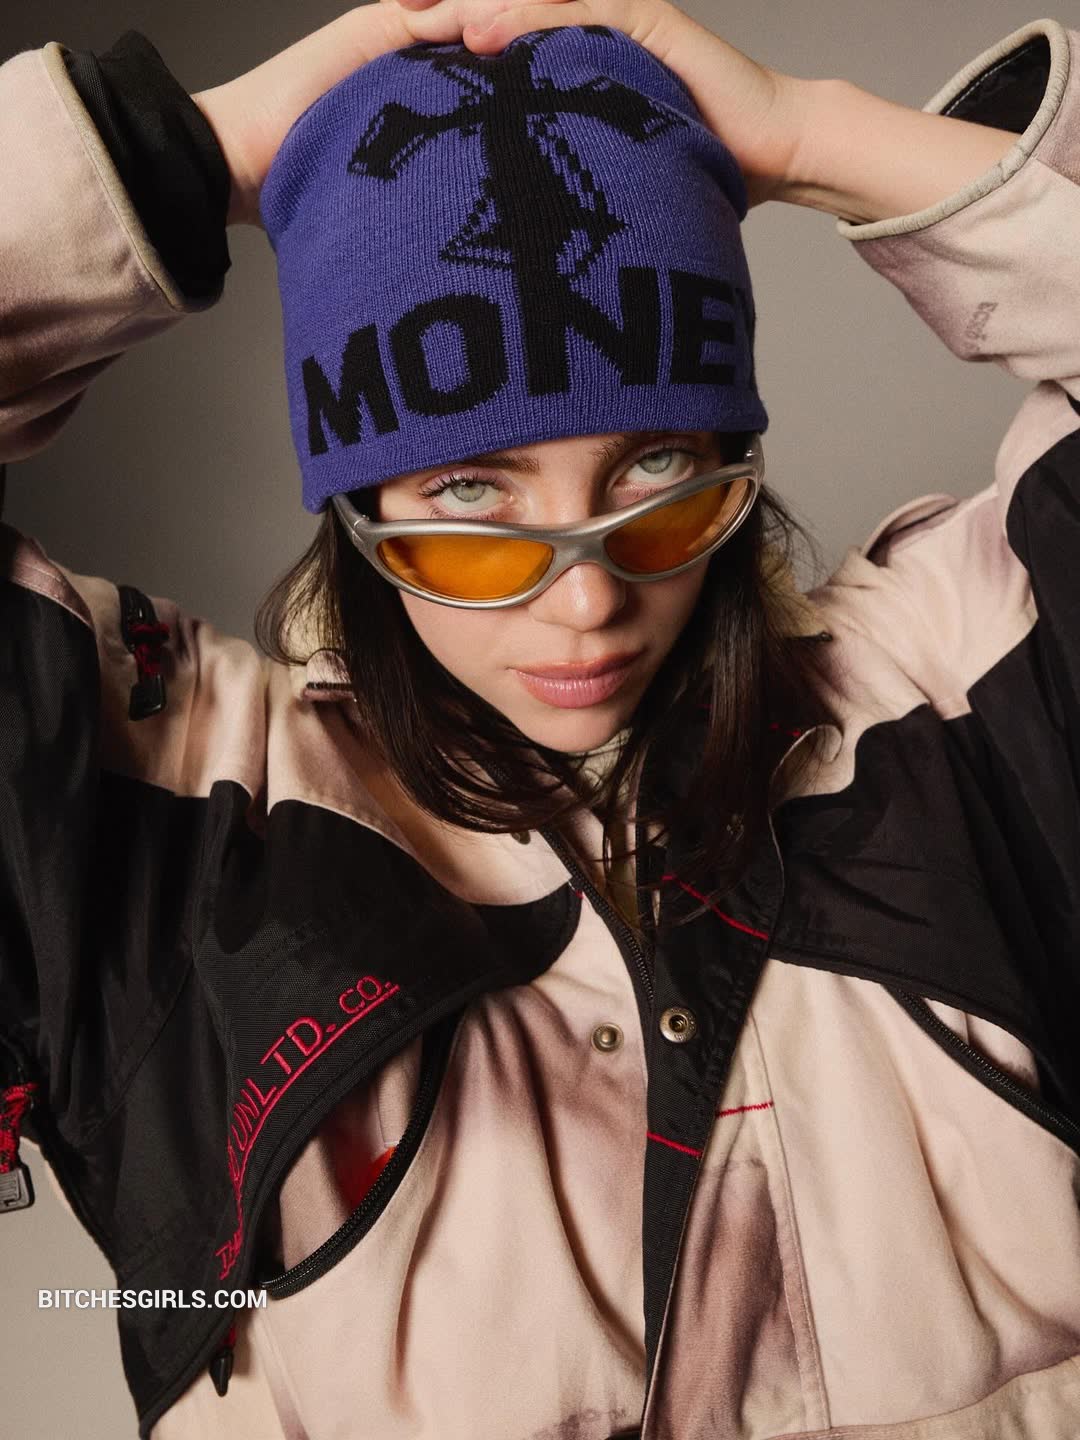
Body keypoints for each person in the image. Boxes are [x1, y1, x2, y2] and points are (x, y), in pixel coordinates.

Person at [1, 1, 1079, 1436]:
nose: (588, 601)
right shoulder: (180, 810)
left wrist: (810, 135)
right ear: (361, 507)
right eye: (470, 492)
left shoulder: (956, 679)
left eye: (659, 470)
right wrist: (185, 153)